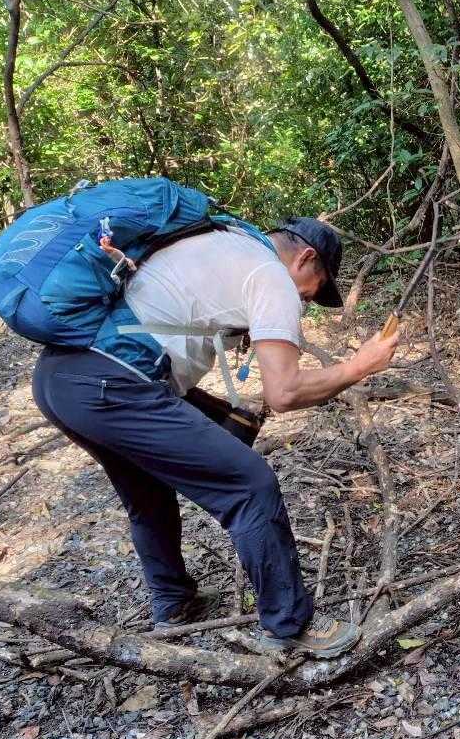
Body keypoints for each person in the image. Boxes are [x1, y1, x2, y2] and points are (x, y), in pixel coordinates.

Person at [31, 215, 398, 658]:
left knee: (147, 492)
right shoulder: (270, 275)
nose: (307, 300)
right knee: (250, 485)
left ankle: (174, 603)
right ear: (304, 258)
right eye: (312, 289)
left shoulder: (220, 240)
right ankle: (289, 625)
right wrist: (359, 366)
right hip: (112, 385)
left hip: (61, 380)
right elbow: (284, 392)